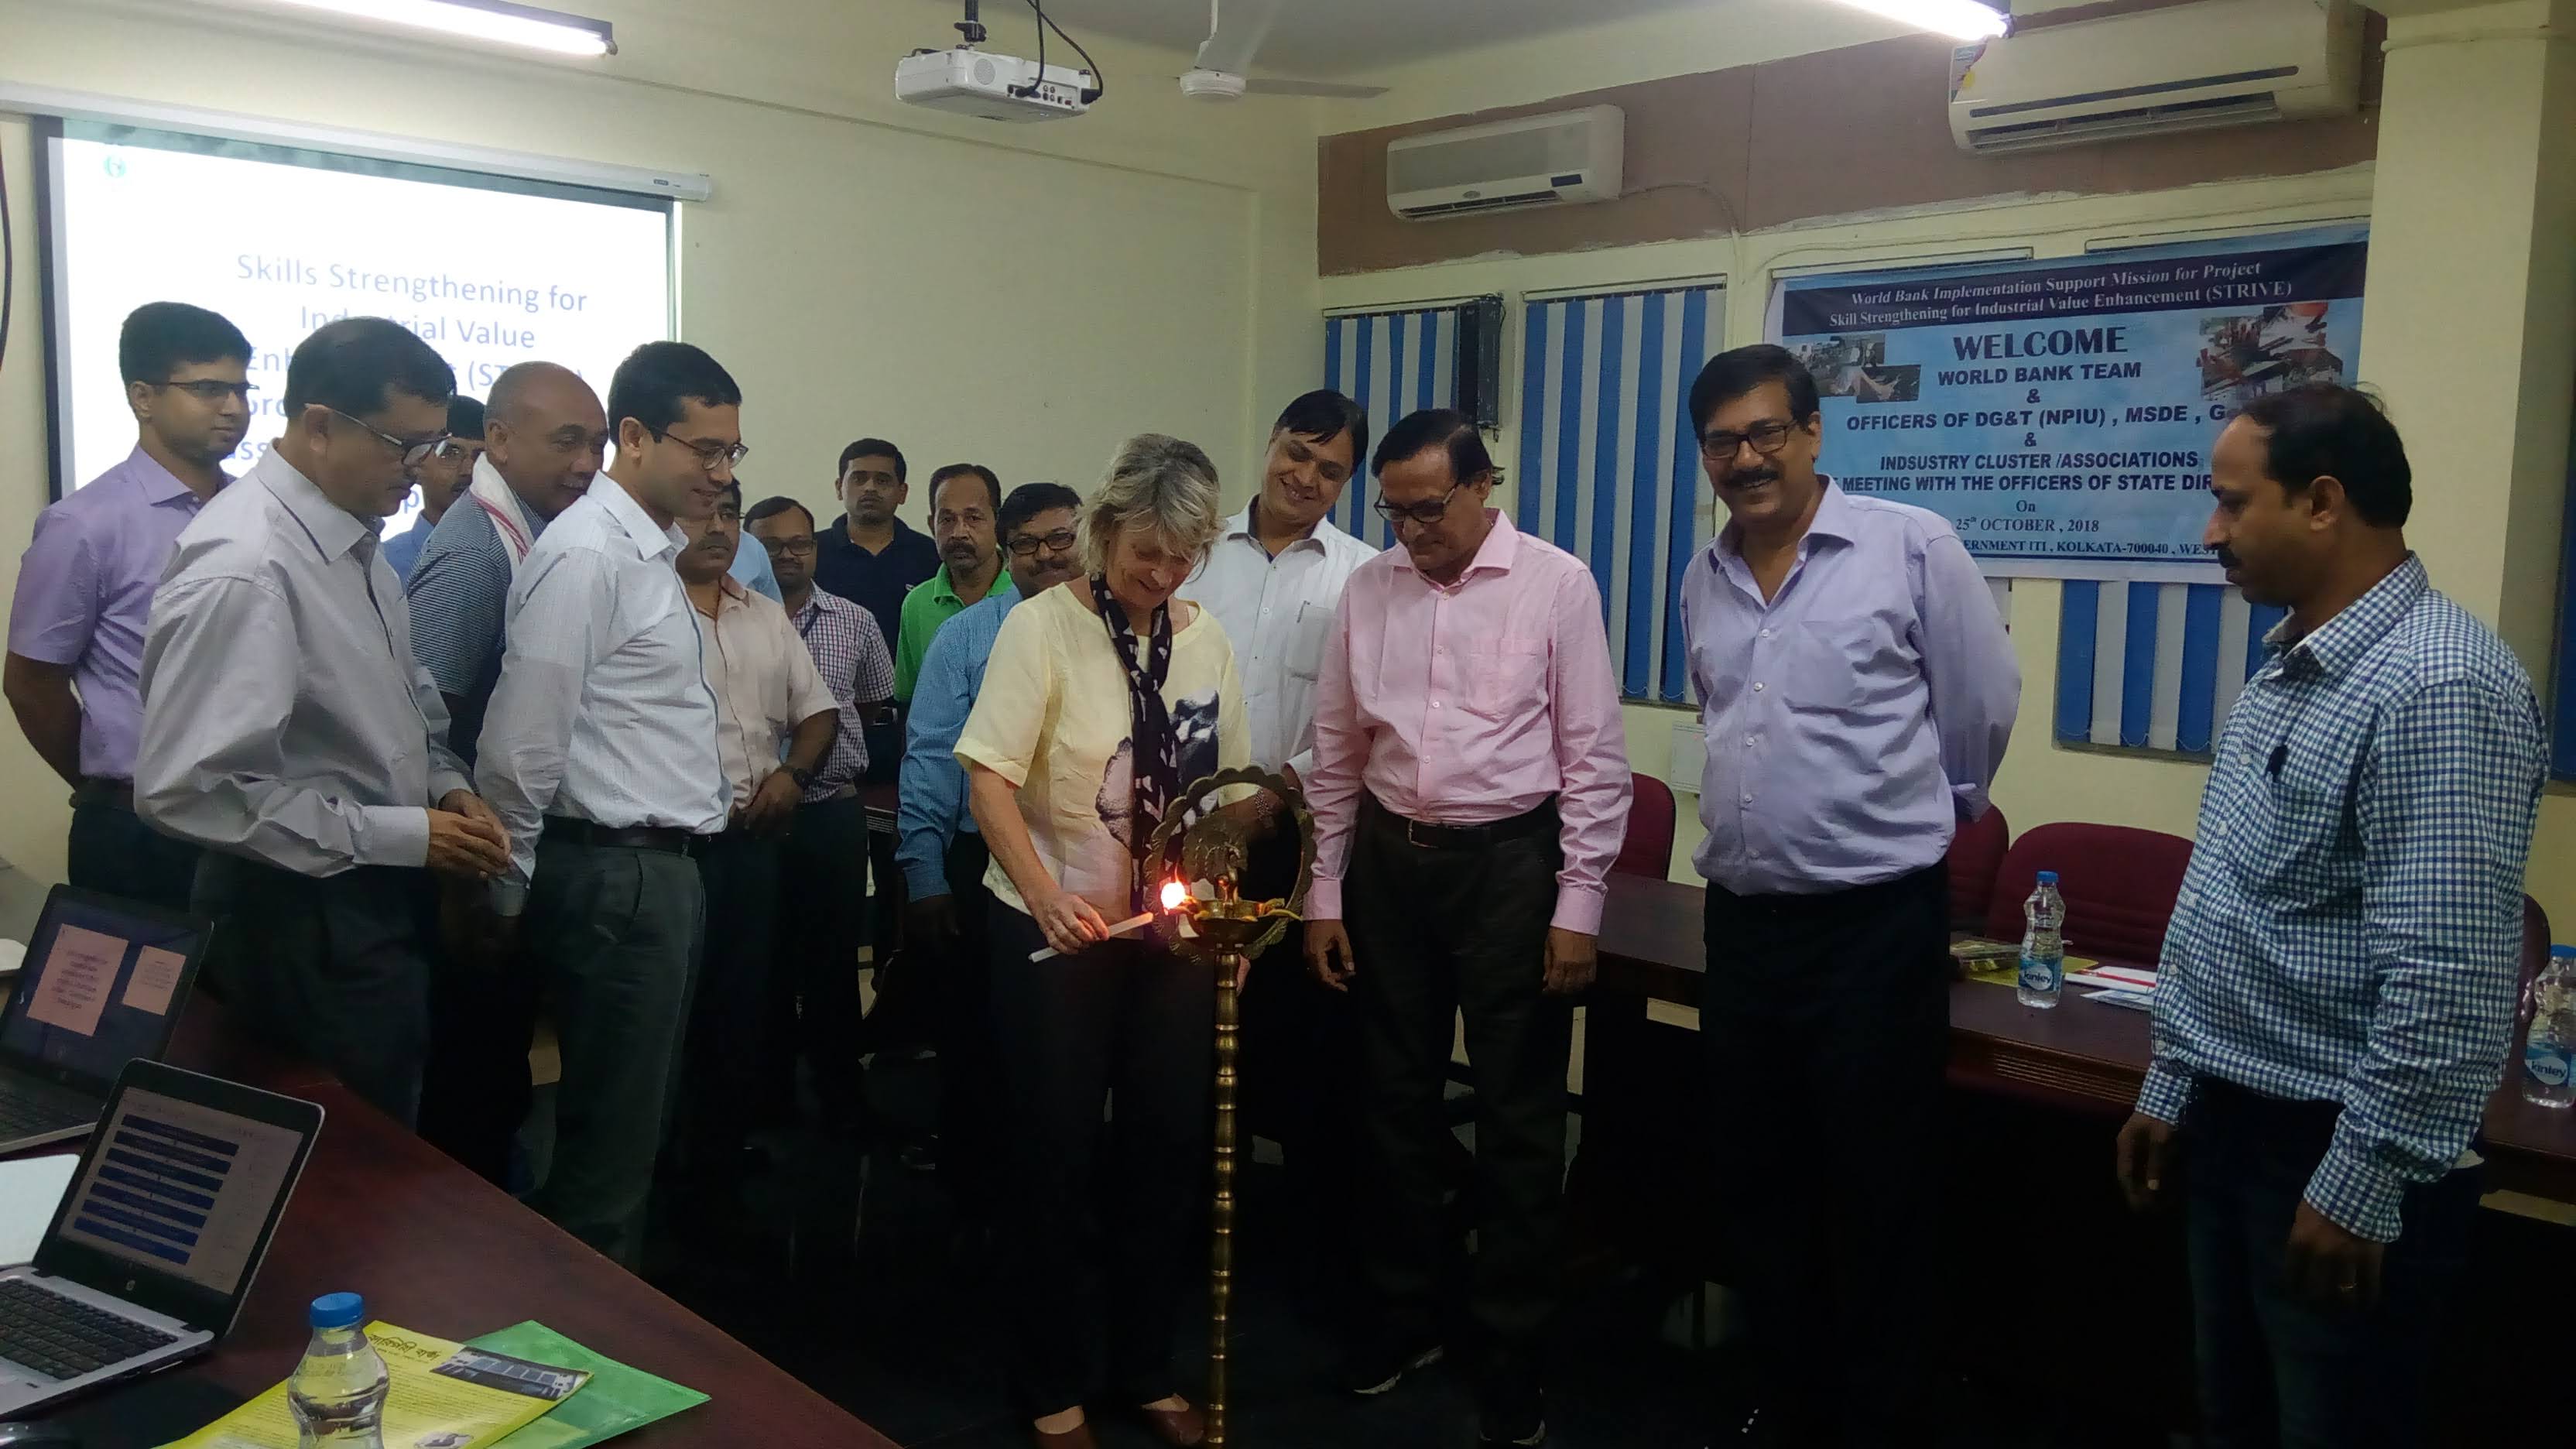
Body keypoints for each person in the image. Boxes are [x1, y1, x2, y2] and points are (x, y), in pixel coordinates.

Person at [2114, 385, 2545, 1449]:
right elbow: (2231, 902)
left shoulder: (2439, 685)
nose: (2210, 533)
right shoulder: (2295, 667)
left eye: (2230, 503)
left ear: (2322, 502)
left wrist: (2359, 1184)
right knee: (2233, 1422)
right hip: (2236, 1123)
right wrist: (2174, 1081)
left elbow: (2448, 980)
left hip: (2336, 1151)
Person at [1676, 343, 2018, 1447]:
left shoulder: (1911, 549)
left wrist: (1915, 814)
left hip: (1874, 926)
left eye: (1768, 431)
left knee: (1880, 1187)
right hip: (1746, 924)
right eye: (1724, 441)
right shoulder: (1704, 575)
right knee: (1761, 1180)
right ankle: (1790, 1397)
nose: (1747, 458)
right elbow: (1719, 717)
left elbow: (1979, 714)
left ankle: (1881, 1415)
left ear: (1816, 432)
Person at [1304, 408, 1629, 1448]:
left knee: (1518, 1114)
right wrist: (1324, 893)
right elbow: (1334, 749)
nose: (1410, 532)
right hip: (1393, 868)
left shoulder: (1556, 584)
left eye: (1428, 509)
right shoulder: (1369, 590)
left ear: (1484, 485)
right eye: (1394, 512)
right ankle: (1406, 1318)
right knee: (1392, 1100)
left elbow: (1594, 760)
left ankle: (1512, 1350)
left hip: (1510, 867)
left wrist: (1579, 906)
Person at [135, 317, 512, 1125]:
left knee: (382, 1148)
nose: (422, 471)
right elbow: (187, 791)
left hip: (367, 899)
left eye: (434, 447)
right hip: (296, 916)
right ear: (317, 425)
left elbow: (404, 703)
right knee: (335, 1168)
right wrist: (403, 835)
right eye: (401, 446)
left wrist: (445, 789)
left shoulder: (355, 544)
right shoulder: (250, 567)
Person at [957, 437, 1247, 1449]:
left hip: (1165, 937)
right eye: (1144, 555)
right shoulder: (1041, 631)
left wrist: (1223, 907)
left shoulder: (1204, 639)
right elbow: (988, 776)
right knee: (1055, 1156)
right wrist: (1042, 895)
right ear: (1104, 529)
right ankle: (1049, 1383)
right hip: (1057, 935)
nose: (1160, 576)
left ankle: (1146, 1367)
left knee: (1165, 1153)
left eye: (1182, 559)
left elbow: (1220, 798)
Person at [474, 340, 739, 1268]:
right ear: (632, 436)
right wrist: (504, 893)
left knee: (626, 1130)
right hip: (615, 873)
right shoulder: (589, 556)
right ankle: (586, 1364)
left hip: (652, 871)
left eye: (730, 454)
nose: (719, 473)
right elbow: (520, 746)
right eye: (702, 450)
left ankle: (596, 1333)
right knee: (606, 1154)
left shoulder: (642, 554)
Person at [1190, 389, 1375, 1307]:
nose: (1306, 477)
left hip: (1298, 844)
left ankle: (1299, 1257)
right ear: (1268, 444)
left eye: (1330, 469)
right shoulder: (1194, 552)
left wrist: (1267, 801)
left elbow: (1348, 725)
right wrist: (1198, 817)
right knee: (1184, 1040)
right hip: (1187, 839)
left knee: (1299, 1049)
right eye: (1296, 453)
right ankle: (1184, 1225)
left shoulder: (1361, 575)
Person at [405, 361, 608, 1186]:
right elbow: (424, 728)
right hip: (473, 861)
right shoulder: (477, 553)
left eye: (596, 444)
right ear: (496, 437)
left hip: (504, 850)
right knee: (476, 1084)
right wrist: (474, 886)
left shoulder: (534, 531)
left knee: (502, 1073)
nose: (587, 464)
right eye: (566, 442)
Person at [8, 302, 249, 913]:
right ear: (143, 397)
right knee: (139, 1007)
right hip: (136, 831)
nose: (233, 408)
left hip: (254, 822)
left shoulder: (258, 513)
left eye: (242, 389)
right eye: (208, 389)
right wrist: (101, 787)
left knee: (244, 1006)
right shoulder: (85, 524)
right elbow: (32, 682)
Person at [897, 479, 1081, 1210]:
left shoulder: (1111, 629)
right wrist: (924, 873)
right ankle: (976, 1192)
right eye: (1028, 545)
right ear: (1009, 553)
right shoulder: (967, 636)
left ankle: (1062, 1182)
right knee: (980, 1033)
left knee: (1066, 1041)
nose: (1045, 557)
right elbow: (932, 754)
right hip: (986, 864)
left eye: (1061, 540)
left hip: (1083, 863)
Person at [671, 480, 838, 1214]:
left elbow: (819, 713)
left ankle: (718, 1162)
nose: (717, 526)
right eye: (701, 511)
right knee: (665, 1016)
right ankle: (659, 1165)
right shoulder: (642, 608)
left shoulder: (766, 616)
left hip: (750, 843)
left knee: (739, 1007)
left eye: (730, 515)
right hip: (666, 847)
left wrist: (793, 775)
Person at [745, 495, 896, 1130]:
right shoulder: (732, 619)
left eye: (800, 542)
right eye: (773, 544)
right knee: (763, 963)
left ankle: (841, 1095)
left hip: (831, 811)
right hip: (753, 819)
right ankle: (769, 1099)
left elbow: (876, 703)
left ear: (816, 546)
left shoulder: (855, 620)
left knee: (834, 962)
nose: (788, 554)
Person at [811, 437, 938, 985]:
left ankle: (895, 1006)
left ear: (903, 492)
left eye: (882, 479)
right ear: (838, 485)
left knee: (900, 880)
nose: (869, 488)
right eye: (857, 477)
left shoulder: (929, 557)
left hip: (906, 741)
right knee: (826, 884)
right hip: (826, 744)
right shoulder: (810, 552)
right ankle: (822, 1012)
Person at [892, 463, 1005, 701]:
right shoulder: (917, 604)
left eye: (974, 518)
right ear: (931, 526)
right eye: (946, 520)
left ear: (999, 522)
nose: (959, 533)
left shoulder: (1025, 594)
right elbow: (910, 701)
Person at [383, 395, 484, 581]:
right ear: (416, 463)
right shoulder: (385, 566)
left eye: (481, 457)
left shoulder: (516, 559)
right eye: (450, 454)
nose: (468, 470)